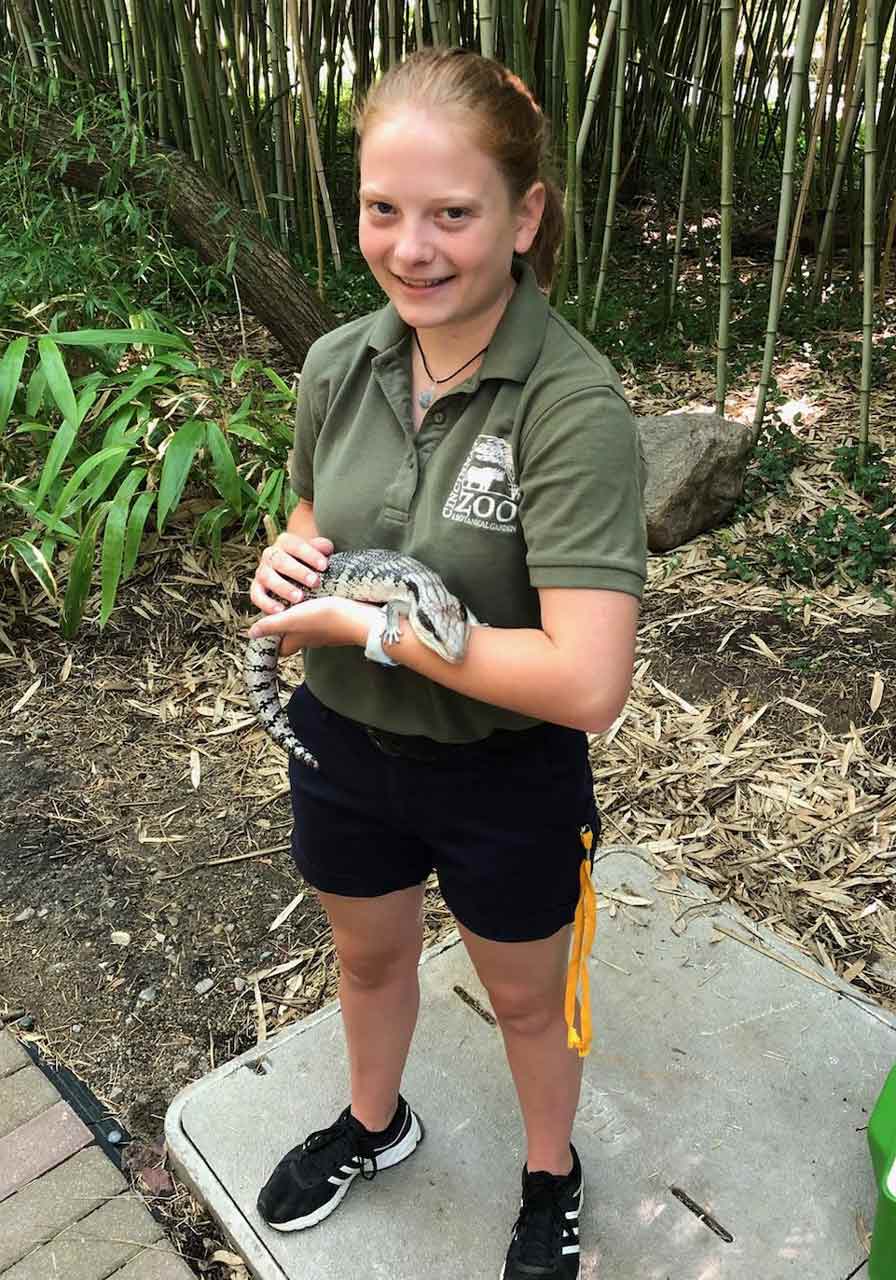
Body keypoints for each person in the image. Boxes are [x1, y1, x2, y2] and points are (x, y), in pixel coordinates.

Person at [247, 45, 646, 1280]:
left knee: (525, 999)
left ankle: (547, 1173)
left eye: (450, 214)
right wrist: (288, 561)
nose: (409, 247)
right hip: (342, 746)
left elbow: (587, 682)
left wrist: (369, 629)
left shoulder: (570, 409)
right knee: (365, 955)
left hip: (502, 774)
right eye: (382, 209)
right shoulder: (339, 362)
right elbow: (320, 515)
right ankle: (377, 1119)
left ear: (524, 217)